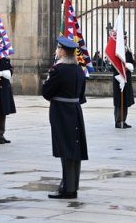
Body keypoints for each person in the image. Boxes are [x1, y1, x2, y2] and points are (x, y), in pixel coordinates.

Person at [41, 36, 88, 198]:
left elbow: (46, 92)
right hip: (75, 110)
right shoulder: (79, 70)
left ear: (62, 51)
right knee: (74, 148)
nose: (56, 51)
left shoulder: (58, 70)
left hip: (61, 111)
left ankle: (67, 189)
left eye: (58, 48)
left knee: (66, 149)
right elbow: (82, 95)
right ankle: (72, 185)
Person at [112, 34, 135, 129]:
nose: (125, 40)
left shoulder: (128, 50)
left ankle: (124, 120)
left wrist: (129, 65)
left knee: (126, 100)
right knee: (119, 101)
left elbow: (132, 62)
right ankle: (118, 121)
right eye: (123, 38)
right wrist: (121, 69)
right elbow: (113, 65)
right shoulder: (116, 51)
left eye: (126, 38)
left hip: (127, 78)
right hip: (119, 78)